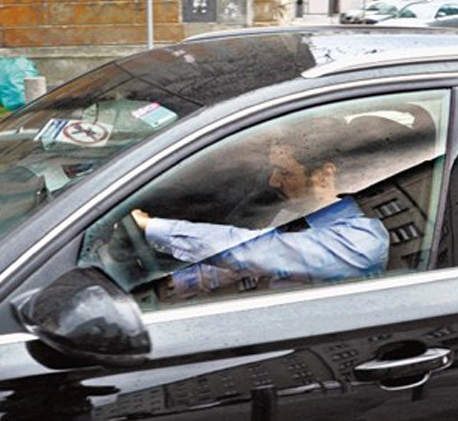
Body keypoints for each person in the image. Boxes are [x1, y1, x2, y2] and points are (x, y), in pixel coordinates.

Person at [131, 117, 390, 300]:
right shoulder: (292, 216)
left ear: (325, 174)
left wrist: (151, 227)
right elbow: (247, 267)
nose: (273, 181)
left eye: (284, 172)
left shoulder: (361, 243)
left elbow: (255, 252)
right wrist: (175, 283)